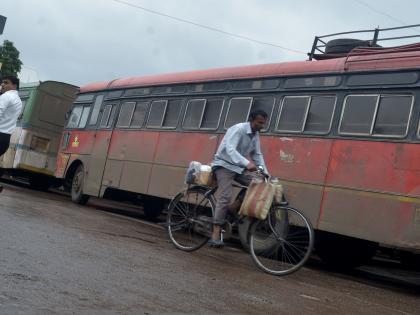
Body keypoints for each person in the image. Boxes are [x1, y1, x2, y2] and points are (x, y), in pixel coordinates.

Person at [209, 109, 269, 247]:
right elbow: (230, 149)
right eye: (260, 122)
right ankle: (215, 233)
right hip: (223, 165)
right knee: (225, 196)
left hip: (238, 168)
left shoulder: (255, 134)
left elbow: (257, 154)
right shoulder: (238, 129)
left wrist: (266, 173)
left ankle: (233, 207)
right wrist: (246, 163)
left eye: (264, 123)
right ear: (251, 120)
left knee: (258, 183)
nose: (262, 126)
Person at [0, 75, 23, 192]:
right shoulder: (18, 101)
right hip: (5, 139)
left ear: (14, 85)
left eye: (6, 82)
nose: (3, 84)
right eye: (2, 82)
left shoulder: (6, 96)